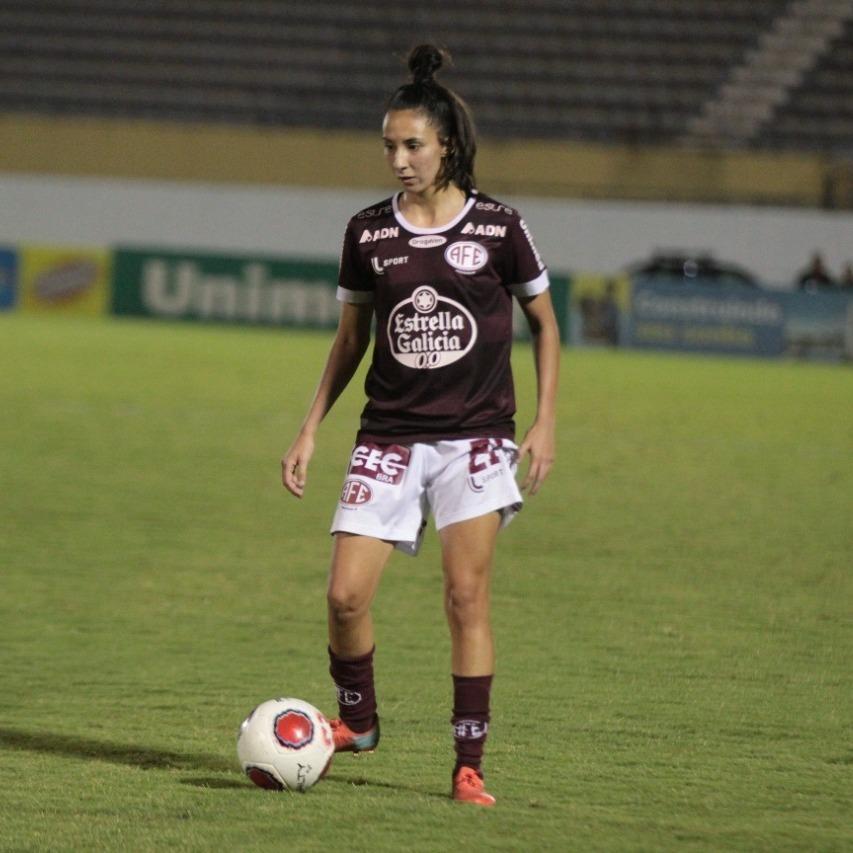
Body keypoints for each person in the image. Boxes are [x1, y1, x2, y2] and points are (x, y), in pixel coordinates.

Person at [281, 44, 560, 807]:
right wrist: (309, 428)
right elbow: (349, 340)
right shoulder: (367, 232)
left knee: (464, 597)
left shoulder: (500, 227)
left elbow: (544, 320)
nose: (398, 160)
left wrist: (543, 422)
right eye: (388, 146)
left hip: (475, 437)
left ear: (447, 146)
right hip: (389, 435)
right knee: (343, 596)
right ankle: (358, 721)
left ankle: (468, 764)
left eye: (412, 145)